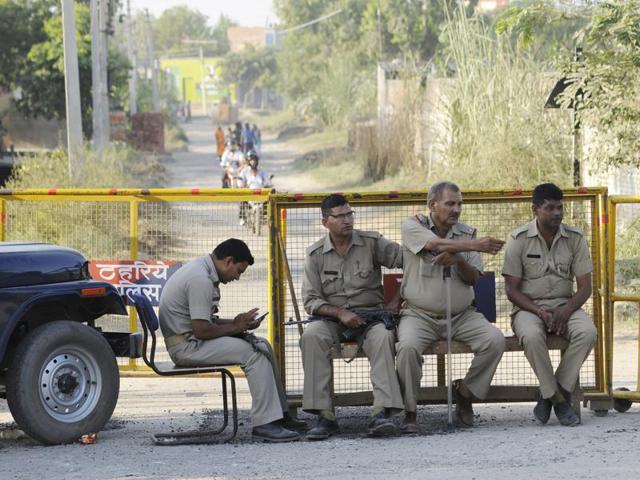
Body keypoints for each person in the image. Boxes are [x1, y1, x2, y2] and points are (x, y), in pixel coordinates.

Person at [158, 239, 306, 442]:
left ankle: (279, 416)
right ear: (228, 261)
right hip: (187, 347)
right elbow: (201, 330)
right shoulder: (200, 278)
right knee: (254, 354)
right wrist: (236, 328)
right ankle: (265, 424)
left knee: (262, 344)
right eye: (239, 271)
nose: (237, 277)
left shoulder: (202, 270)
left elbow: (204, 322)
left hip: (190, 340)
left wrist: (238, 323)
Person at [396, 181, 506, 432]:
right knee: (407, 349)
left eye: (459, 204)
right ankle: (409, 411)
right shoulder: (413, 226)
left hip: (461, 315)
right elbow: (433, 245)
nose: (456, 209)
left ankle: (465, 393)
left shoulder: (466, 232)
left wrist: (458, 260)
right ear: (432, 205)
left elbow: (474, 279)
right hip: (419, 314)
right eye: (450, 204)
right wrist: (475, 246)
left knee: (494, 340)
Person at [300, 194, 404, 440]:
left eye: (350, 214)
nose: (347, 220)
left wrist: (395, 301)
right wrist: (339, 313)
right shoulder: (315, 254)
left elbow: (411, 261)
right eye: (340, 216)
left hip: (372, 317)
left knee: (383, 337)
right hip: (332, 321)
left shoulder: (372, 243)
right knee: (311, 336)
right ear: (326, 222)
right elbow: (311, 300)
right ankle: (325, 416)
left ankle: (382, 413)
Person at [502, 183, 597, 427]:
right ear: (535, 209)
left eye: (560, 207)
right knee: (532, 336)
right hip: (529, 309)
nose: (557, 213)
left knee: (588, 333)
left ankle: (549, 393)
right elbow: (511, 290)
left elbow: (585, 287)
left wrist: (565, 312)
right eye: (550, 208)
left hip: (567, 305)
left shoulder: (575, 239)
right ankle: (559, 399)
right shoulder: (518, 239)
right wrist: (539, 311)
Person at [238, 150, 272, 226]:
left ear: (257, 161)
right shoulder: (244, 172)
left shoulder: (262, 172)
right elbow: (240, 182)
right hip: (249, 194)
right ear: (248, 161)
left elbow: (268, 182)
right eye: (251, 160)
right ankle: (242, 218)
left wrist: (268, 184)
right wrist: (242, 187)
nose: (253, 162)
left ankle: (267, 218)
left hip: (261, 194)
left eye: (254, 160)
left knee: (270, 201)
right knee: (242, 200)